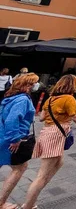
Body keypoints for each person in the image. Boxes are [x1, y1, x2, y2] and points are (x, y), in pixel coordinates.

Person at [22, 75, 76, 209]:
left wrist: (55, 113)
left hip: (47, 132)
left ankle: (33, 197)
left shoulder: (51, 99)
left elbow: (42, 117)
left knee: (59, 162)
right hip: (55, 134)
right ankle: (28, 205)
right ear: (72, 85)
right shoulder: (69, 98)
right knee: (42, 176)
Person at [0, 73, 39, 209]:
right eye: (32, 84)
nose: (34, 86)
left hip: (1, 135)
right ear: (25, 85)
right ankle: (1, 202)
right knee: (20, 168)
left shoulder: (10, 97)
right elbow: (12, 120)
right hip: (8, 140)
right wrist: (15, 139)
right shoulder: (22, 100)